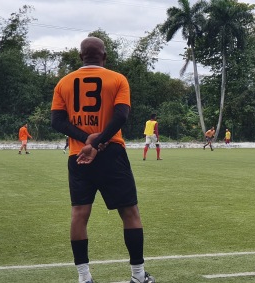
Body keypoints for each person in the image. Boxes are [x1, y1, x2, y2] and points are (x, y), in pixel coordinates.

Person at [50, 37, 155, 283]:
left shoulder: (64, 83)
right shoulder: (118, 79)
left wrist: (86, 141)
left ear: (80, 57)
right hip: (112, 153)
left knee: (79, 214)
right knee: (130, 212)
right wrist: (97, 143)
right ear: (104, 56)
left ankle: (84, 278)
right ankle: (139, 276)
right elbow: (121, 116)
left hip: (79, 156)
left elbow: (57, 121)